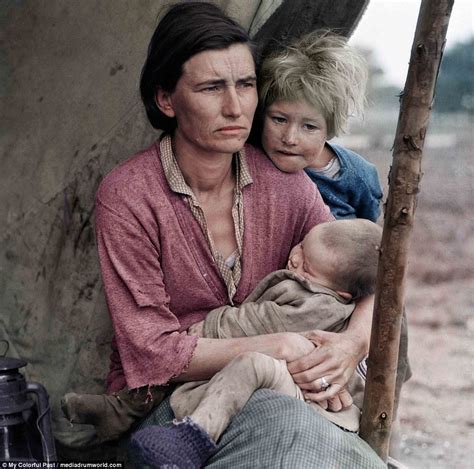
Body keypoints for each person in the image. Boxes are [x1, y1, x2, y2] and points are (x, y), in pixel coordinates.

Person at [70, 3, 387, 467]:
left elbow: (370, 272)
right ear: (166, 100)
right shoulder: (128, 196)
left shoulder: (287, 184)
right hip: (171, 404)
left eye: (245, 85)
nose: (236, 107)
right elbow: (152, 352)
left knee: (318, 434)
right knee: (290, 430)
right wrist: (275, 346)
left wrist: (350, 344)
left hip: (281, 386)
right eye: (211, 87)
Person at [129, 219, 385, 467]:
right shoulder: (327, 266)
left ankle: (193, 438)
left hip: (313, 397)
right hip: (308, 386)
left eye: (306, 267)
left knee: (251, 365)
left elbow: (257, 322)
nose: (295, 258)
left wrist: (207, 327)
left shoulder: (318, 304)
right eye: (301, 244)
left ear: (342, 294)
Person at [257, 30, 383, 221]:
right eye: (279, 120)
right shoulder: (251, 160)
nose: (289, 138)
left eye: (309, 127)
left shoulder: (357, 175)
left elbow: (369, 226)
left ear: (330, 130)